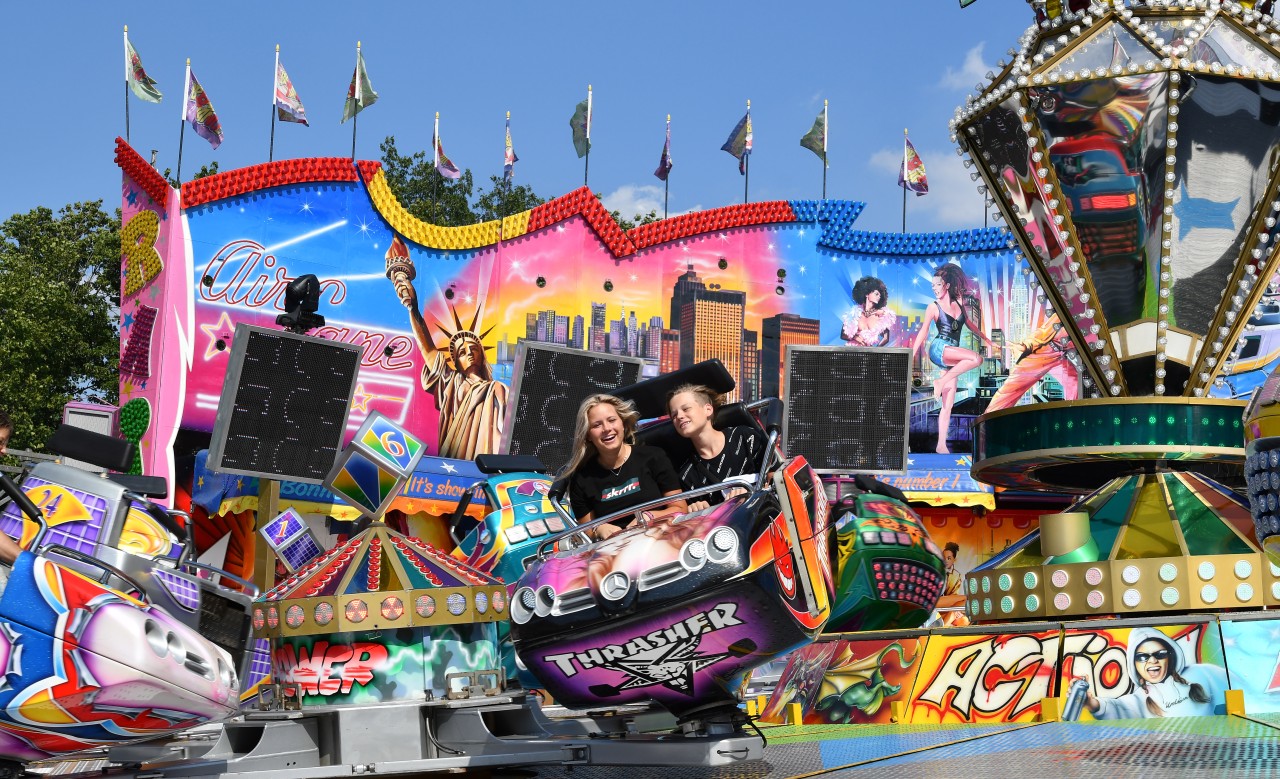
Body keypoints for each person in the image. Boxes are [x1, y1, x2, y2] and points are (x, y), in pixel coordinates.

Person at [387, 236, 508, 459]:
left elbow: (507, 431)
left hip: (490, 466)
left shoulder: (498, 389)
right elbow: (428, 349)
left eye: (473, 349)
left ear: (482, 355)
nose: (469, 354)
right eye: (461, 352)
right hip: (455, 463)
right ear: (456, 362)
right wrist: (413, 309)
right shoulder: (451, 383)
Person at [562, 394, 688, 540]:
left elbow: (680, 508)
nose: (607, 428)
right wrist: (598, 529)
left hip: (660, 539)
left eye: (612, 420)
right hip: (615, 553)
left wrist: (649, 516)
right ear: (588, 435)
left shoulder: (654, 457)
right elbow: (585, 533)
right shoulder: (581, 479)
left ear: (623, 423)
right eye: (597, 425)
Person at [910, 264, 995, 454]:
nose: (934, 288)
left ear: (946, 285)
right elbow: (924, 332)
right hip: (940, 348)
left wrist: (989, 341)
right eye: (932, 285)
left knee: (947, 404)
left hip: (951, 358)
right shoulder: (933, 307)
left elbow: (971, 325)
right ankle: (940, 381)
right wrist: (911, 354)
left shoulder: (958, 303)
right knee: (975, 358)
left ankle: (941, 444)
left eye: (937, 285)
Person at [1082, 627, 1227, 719]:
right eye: (1142, 657)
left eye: (1160, 654)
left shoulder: (1200, 673)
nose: (1152, 660)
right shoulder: (1138, 701)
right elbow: (1114, 708)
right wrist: (1091, 703)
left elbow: (1242, 693)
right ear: (1134, 664)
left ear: (1170, 656)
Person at [666, 385, 768, 511]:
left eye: (686, 409)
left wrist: (751, 492)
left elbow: (776, 476)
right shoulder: (686, 475)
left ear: (708, 409)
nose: (679, 416)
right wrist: (696, 509)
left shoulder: (745, 437)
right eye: (674, 415)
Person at [986, 311, 1079, 412]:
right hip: (1040, 354)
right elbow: (1042, 332)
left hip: (1059, 356)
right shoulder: (1064, 314)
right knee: (1011, 389)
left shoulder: (1087, 324)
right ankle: (988, 420)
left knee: (1074, 381)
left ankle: (1074, 413)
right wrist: (1025, 346)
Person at [841, 277, 896, 347]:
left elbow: (886, 338)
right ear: (867, 294)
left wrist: (875, 351)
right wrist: (856, 338)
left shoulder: (881, 315)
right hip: (852, 352)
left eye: (880, 295)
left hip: (868, 354)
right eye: (876, 294)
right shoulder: (854, 313)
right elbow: (843, 335)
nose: (879, 296)